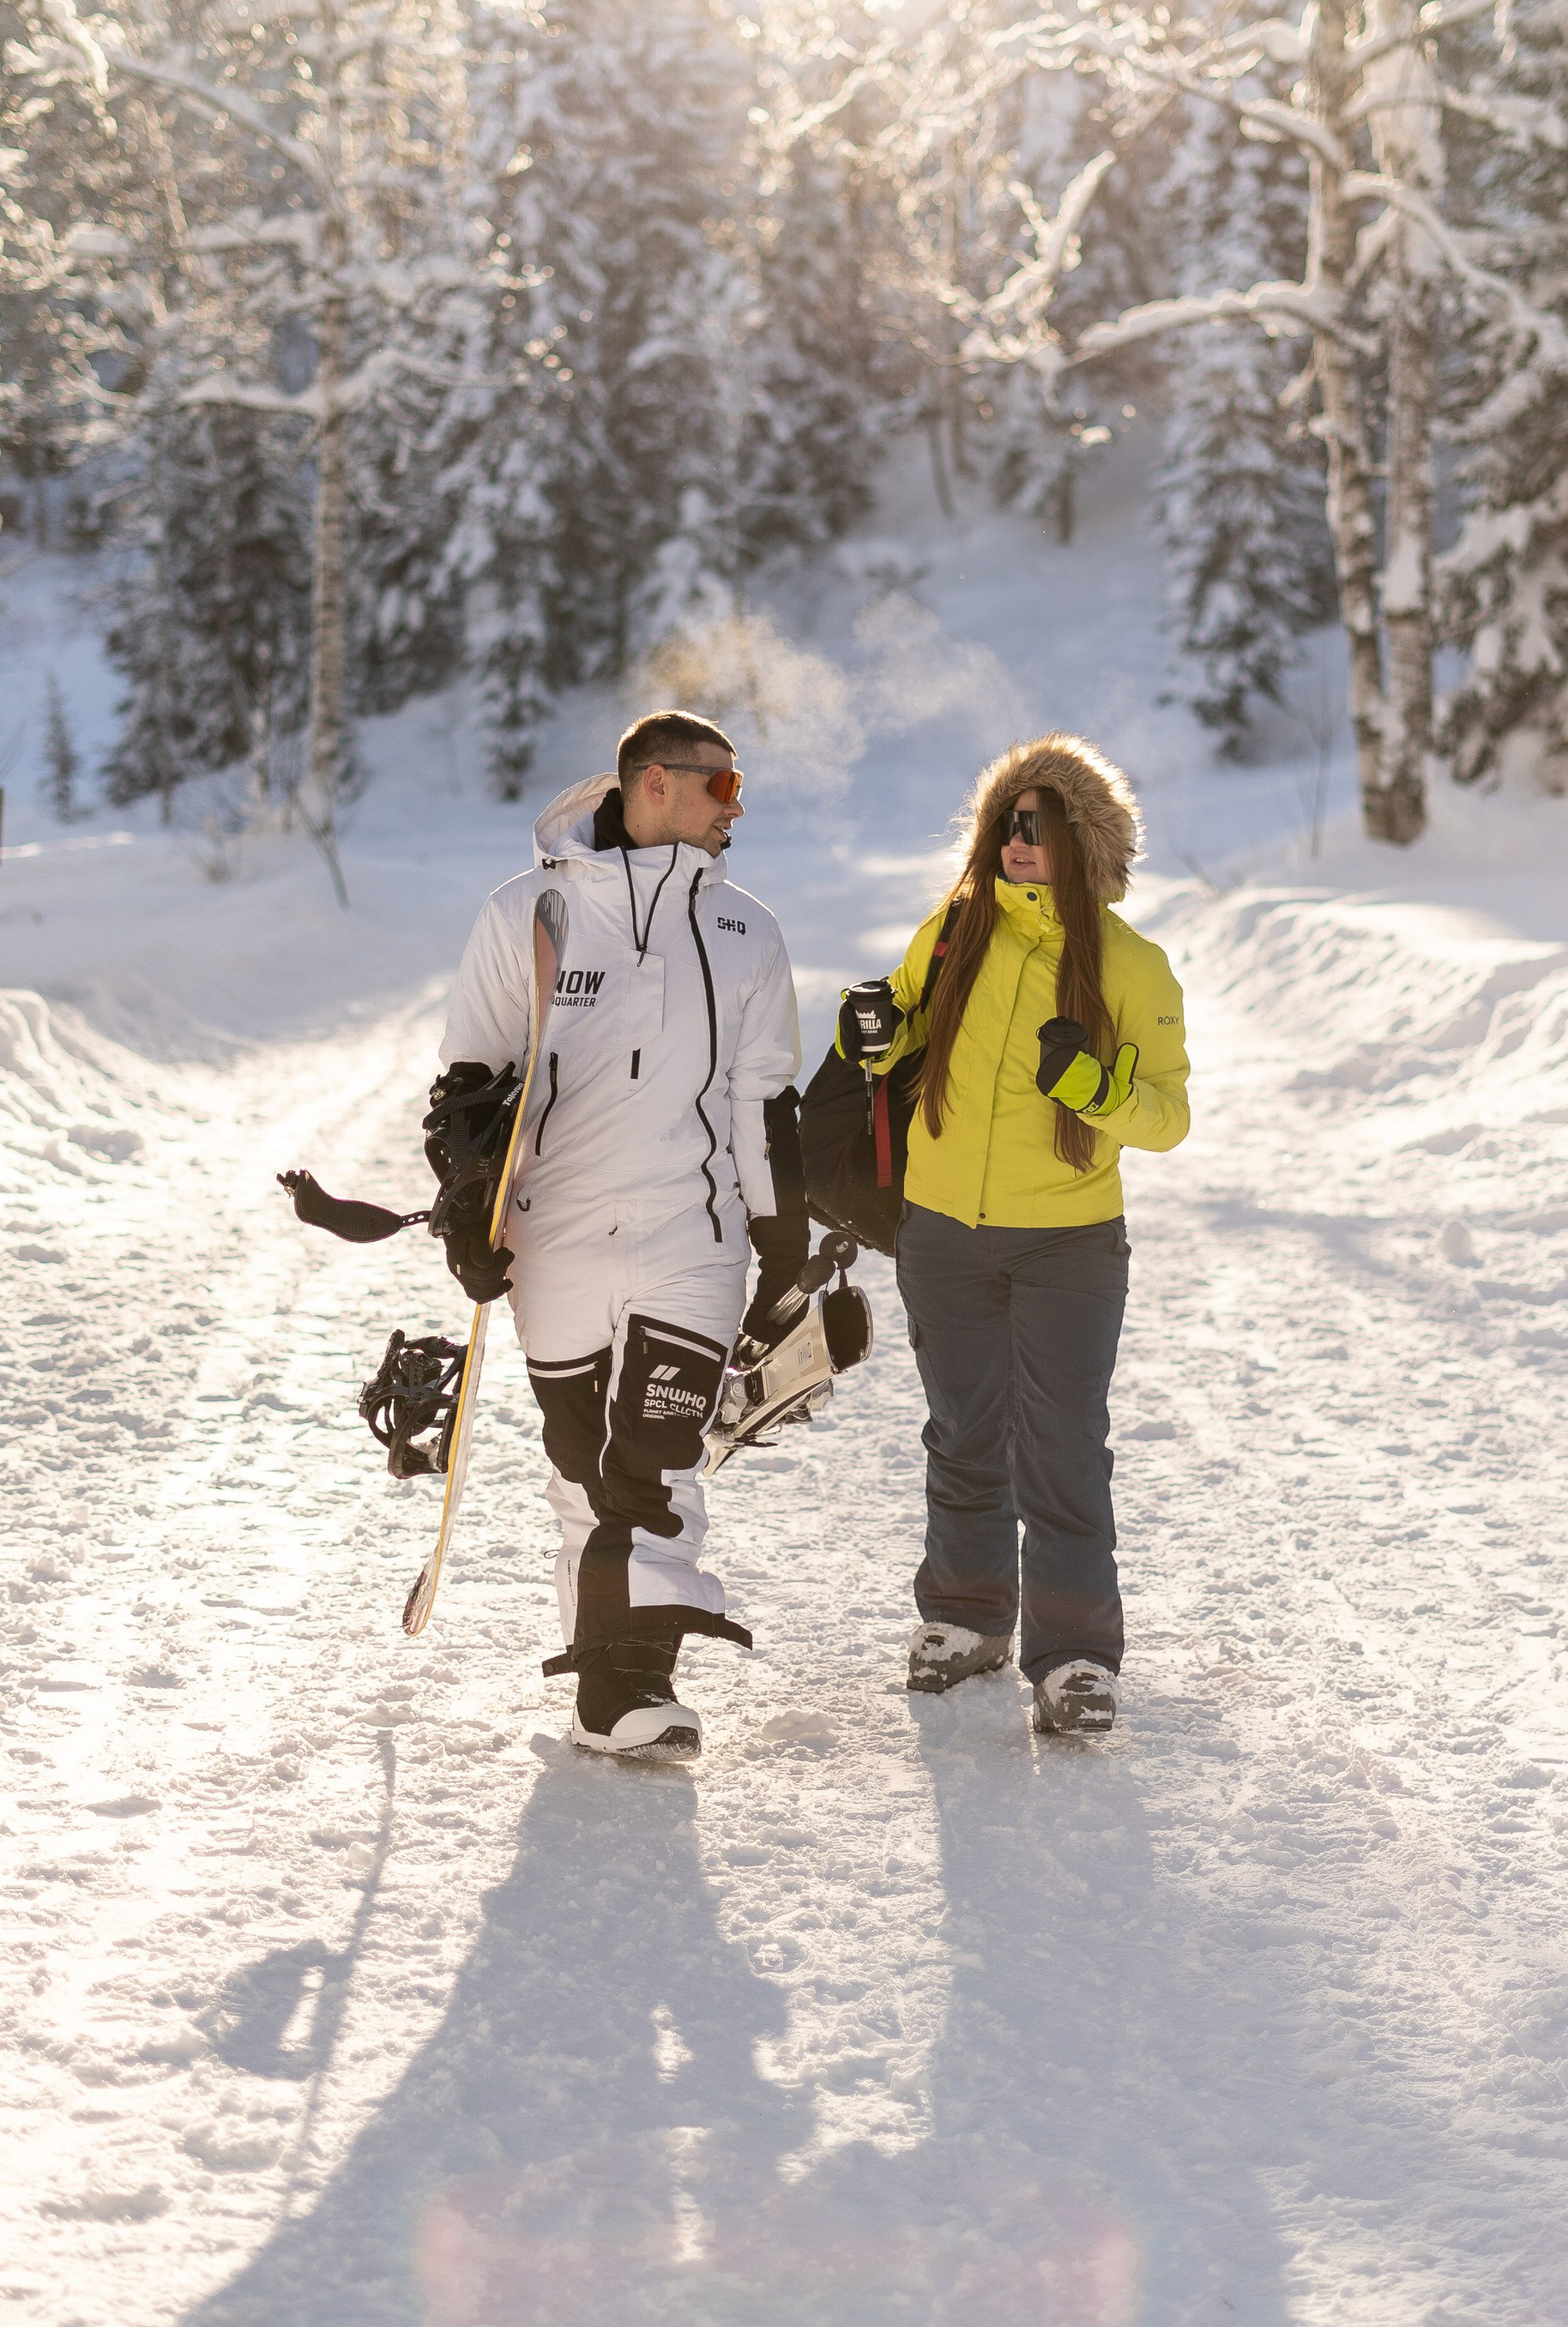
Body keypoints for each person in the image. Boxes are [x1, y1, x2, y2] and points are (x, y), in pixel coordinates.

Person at [433, 710, 807, 1761]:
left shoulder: (747, 932)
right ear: (654, 783)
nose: (736, 809)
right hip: (553, 1239)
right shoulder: (527, 913)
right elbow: (468, 1083)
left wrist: (781, 1244)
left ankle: (630, 1686)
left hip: (692, 1237)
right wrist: (469, 1213)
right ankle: (606, 1681)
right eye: (722, 786)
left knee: (657, 1461)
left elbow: (763, 1099)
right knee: (582, 1469)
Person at [835, 734, 1190, 1736]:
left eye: (1038, 825)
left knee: (1063, 1446)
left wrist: (1089, 1086)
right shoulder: (955, 931)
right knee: (962, 1431)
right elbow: (903, 1029)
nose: (1016, 842)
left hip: (1066, 1242)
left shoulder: (1129, 965)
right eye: (1005, 824)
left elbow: (1167, 1118)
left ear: (1084, 841)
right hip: (942, 1229)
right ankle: (966, 1618)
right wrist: (870, 1030)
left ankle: (1075, 1657)